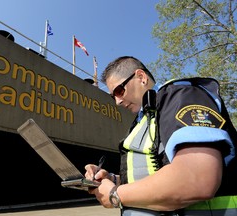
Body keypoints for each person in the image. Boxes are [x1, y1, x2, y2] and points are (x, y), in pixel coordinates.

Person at [84, 56, 237, 216]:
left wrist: (116, 194)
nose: (117, 101)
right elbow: (153, 172)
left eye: (119, 91)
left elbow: (197, 178)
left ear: (141, 77)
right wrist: (113, 179)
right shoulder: (144, 118)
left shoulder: (181, 96)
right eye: (113, 96)